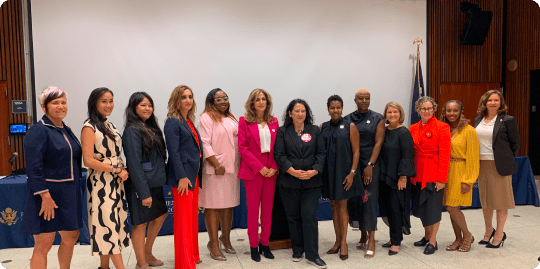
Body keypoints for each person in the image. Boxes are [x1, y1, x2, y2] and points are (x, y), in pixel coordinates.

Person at [20, 86, 83, 269]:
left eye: (63, 102)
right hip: (48, 195)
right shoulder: (39, 130)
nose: (61, 106)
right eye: (55, 103)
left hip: (69, 192)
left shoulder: (66, 129)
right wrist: (44, 196)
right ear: (43, 106)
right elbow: (33, 167)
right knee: (45, 242)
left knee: (71, 237)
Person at [274, 99, 327, 269]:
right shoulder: (283, 132)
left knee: (309, 216)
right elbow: (279, 155)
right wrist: (293, 171)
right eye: (296, 111)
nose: (300, 114)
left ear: (307, 113)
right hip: (289, 182)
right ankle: (297, 249)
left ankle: (313, 255)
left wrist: (315, 170)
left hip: (312, 182)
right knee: (293, 217)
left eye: (303, 111)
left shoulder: (314, 130)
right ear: (290, 113)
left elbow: (321, 153)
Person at [81, 88, 130, 269]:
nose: (109, 105)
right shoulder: (89, 127)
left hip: (115, 183)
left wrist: (121, 169)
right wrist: (116, 170)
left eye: (111, 100)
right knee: (107, 226)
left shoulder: (109, 125)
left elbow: (115, 154)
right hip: (101, 184)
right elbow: (88, 160)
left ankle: (104, 267)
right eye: (104, 101)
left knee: (112, 225)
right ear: (94, 103)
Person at [123, 92, 168, 269]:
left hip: (154, 183)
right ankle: (141, 263)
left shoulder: (150, 127)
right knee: (140, 224)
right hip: (140, 185)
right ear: (134, 107)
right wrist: (143, 192)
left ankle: (147, 253)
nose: (147, 108)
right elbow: (134, 163)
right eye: (143, 105)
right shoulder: (132, 130)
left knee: (161, 214)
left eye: (149, 105)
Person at [474, 89, 520, 248]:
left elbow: (515, 144)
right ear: (484, 102)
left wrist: (504, 159)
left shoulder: (508, 120)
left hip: (499, 166)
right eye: (490, 100)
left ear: (501, 103)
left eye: (496, 100)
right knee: (486, 202)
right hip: (482, 164)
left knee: (501, 202)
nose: (493, 103)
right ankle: (488, 232)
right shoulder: (478, 120)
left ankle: (499, 234)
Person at [198, 88, 240, 260]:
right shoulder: (206, 117)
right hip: (215, 169)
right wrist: (216, 164)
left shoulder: (231, 117)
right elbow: (205, 143)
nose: (223, 101)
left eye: (225, 98)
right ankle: (213, 245)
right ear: (211, 101)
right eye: (218, 99)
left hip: (232, 168)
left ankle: (226, 240)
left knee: (228, 205)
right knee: (213, 206)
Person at [164, 85, 203, 268]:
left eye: (190, 96)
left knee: (191, 220)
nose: (188, 100)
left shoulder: (187, 120)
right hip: (183, 179)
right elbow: (174, 152)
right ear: (176, 100)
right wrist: (181, 176)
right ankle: (184, 263)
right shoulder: (172, 121)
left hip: (192, 177)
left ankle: (192, 256)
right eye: (183, 97)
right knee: (184, 222)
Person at [238, 89, 279, 262]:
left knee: (268, 211)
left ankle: (265, 244)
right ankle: (254, 246)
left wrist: (274, 167)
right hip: (253, 170)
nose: (261, 102)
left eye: (263, 99)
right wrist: (259, 167)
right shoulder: (244, 121)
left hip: (271, 170)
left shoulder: (274, 121)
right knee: (253, 211)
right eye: (257, 100)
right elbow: (243, 148)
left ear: (267, 103)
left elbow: (279, 147)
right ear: (252, 103)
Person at [320, 95, 362, 260]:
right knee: (333, 206)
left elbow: (356, 151)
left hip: (345, 173)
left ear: (342, 108)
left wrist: (352, 173)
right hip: (329, 173)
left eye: (338, 107)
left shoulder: (350, 126)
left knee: (342, 206)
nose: (335, 110)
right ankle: (337, 241)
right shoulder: (322, 127)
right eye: (332, 108)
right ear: (328, 109)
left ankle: (343, 242)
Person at [344, 88, 385, 258]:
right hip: (354, 164)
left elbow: (378, 143)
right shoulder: (348, 119)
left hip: (371, 164)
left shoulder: (378, 118)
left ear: (370, 100)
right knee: (356, 201)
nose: (363, 101)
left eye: (366, 98)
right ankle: (362, 234)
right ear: (355, 100)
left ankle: (372, 239)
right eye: (360, 98)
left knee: (368, 200)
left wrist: (370, 164)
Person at [409, 96, 450, 255]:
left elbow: (445, 154)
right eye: (423, 108)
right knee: (421, 207)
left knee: (432, 208)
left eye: (429, 108)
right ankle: (426, 236)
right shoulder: (412, 128)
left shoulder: (442, 127)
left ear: (434, 109)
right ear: (418, 110)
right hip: (417, 172)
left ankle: (433, 240)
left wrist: (441, 178)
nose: (426, 111)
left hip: (433, 172)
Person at [440, 100, 479, 252]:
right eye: (449, 110)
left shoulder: (469, 130)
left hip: (460, 170)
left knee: (452, 207)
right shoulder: (445, 129)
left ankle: (467, 235)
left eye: (455, 110)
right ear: (444, 112)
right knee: (451, 207)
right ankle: (458, 238)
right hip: (446, 171)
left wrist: (468, 180)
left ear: (461, 112)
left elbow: (473, 157)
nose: (452, 114)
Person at [378, 102, 416, 256]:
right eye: (389, 112)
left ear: (400, 114)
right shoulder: (384, 131)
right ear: (385, 115)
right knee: (386, 208)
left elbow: (407, 156)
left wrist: (403, 176)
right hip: (384, 177)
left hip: (398, 179)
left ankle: (395, 242)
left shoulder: (404, 133)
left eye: (395, 112)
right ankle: (394, 236)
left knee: (395, 209)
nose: (392, 115)